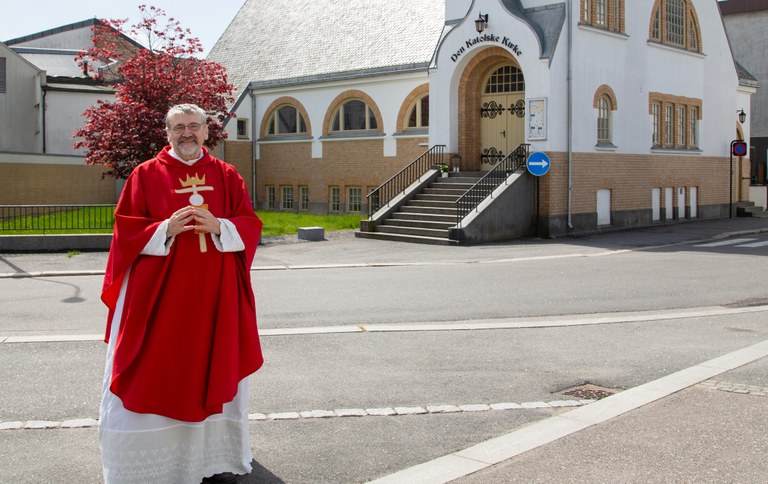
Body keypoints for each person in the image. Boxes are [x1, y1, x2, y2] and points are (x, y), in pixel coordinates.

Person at [99, 103, 264, 483]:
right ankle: (152, 464)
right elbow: (125, 232)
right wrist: (164, 231)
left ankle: (213, 459)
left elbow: (250, 224)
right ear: (167, 133)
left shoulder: (227, 175)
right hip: (160, 300)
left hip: (215, 297)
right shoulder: (145, 175)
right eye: (179, 127)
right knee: (155, 371)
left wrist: (220, 225)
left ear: (207, 132)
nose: (187, 133)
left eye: (194, 126)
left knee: (215, 364)